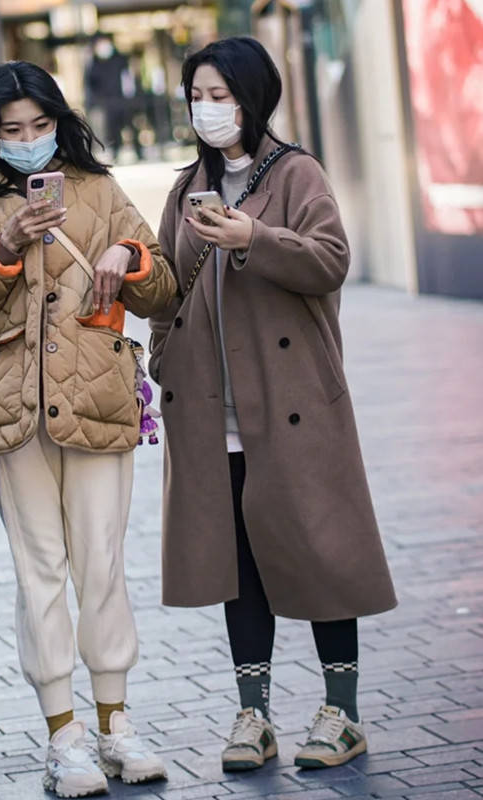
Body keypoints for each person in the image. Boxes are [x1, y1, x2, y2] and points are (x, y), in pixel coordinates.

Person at [0, 61, 175, 798]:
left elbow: (163, 283)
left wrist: (125, 255)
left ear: (59, 123)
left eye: (40, 126)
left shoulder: (98, 191)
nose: (28, 141)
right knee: (40, 571)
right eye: (11, 131)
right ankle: (63, 738)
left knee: (100, 564)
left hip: (95, 398)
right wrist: (3, 246)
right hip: (12, 413)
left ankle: (117, 727)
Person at [149, 37, 397, 773]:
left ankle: (341, 712)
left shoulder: (295, 173)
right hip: (210, 409)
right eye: (196, 94)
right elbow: (166, 289)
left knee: (320, 548)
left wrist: (254, 235)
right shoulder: (183, 186)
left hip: (291, 405)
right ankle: (252, 714)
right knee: (240, 564)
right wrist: (160, 347)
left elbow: (329, 261)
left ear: (253, 98)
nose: (207, 108)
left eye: (221, 95)